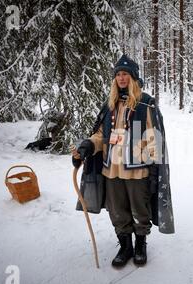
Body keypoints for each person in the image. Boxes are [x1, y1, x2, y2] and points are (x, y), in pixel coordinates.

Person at [71, 54, 174, 268]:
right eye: (118, 74)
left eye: (125, 74)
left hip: (137, 170)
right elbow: (101, 134)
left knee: (140, 210)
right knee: (117, 211)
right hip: (112, 170)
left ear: (133, 77)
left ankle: (140, 245)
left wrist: (155, 169)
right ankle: (125, 245)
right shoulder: (110, 105)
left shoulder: (146, 103)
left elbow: (153, 137)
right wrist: (88, 145)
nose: (121, 78)